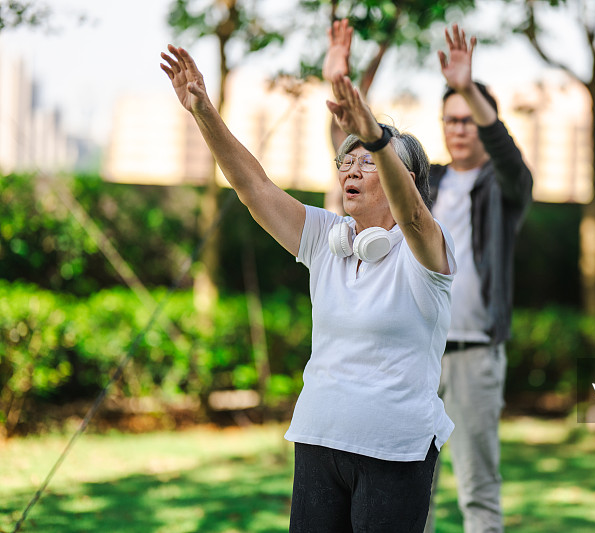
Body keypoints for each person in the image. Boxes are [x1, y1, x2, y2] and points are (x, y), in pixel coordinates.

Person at [160, 43, 457, 533]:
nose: (351, 170)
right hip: (320, 439)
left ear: (407, 180)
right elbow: (253, 188)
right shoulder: (326, 237)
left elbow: (410, 216)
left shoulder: (425, 250)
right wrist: (203, 111)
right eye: (346, 161)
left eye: (369, 162)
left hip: (395, 450)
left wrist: (371, 133)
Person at [425, 24, 533, 533]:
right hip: (417, 355)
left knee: (478, 494)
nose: (459, 128)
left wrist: (467, 85)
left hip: (474, 355)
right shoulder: (428, 183)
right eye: (451, 119)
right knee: (406, 492)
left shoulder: (503, 185)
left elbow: (510, 159)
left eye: (469, 118)